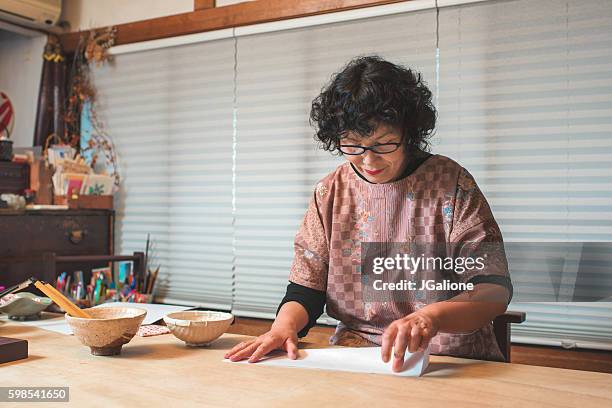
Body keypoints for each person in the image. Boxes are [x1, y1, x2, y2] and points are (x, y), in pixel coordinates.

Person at [225, 55, 512, 371]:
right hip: (358, 357)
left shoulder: (451, 183)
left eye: (384, 144)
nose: (368, 160)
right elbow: (306, 288)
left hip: (449, 356)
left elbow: (492, 289)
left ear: (409, 133)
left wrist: (430, 317)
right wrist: (283, 327)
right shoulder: (331, 191)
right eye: (353, 145)